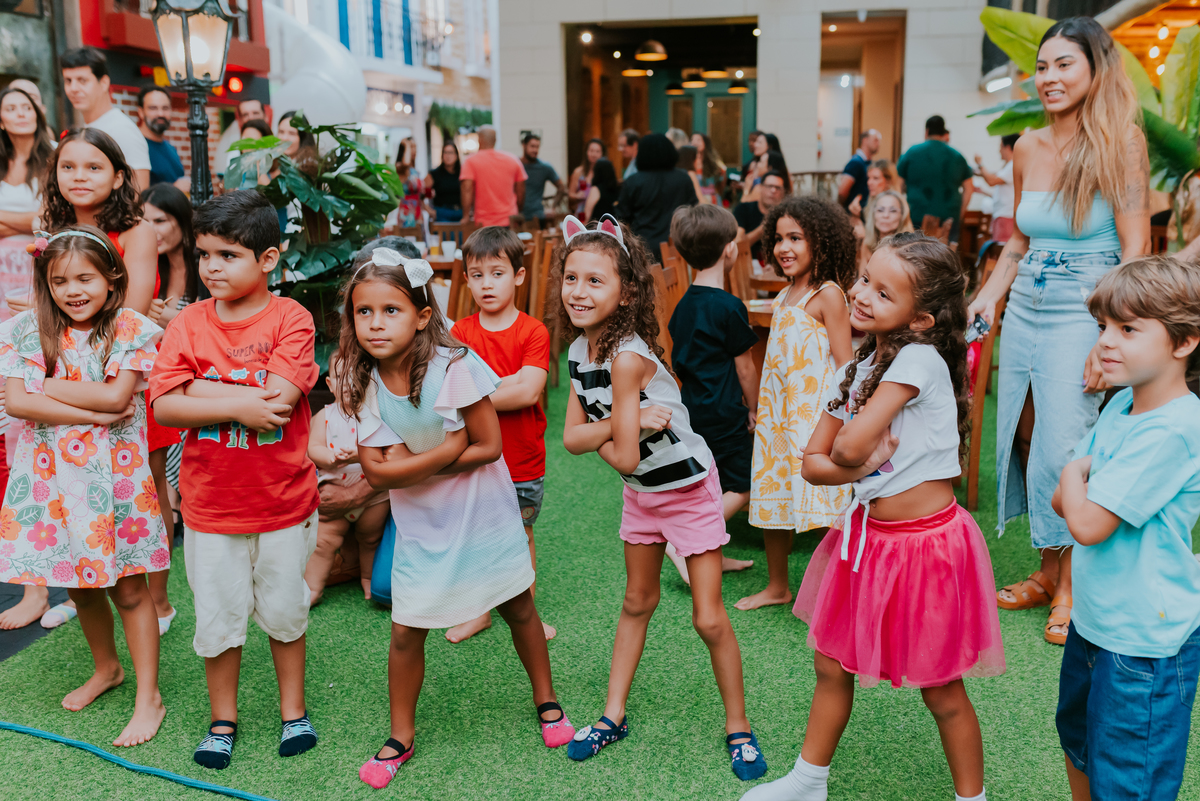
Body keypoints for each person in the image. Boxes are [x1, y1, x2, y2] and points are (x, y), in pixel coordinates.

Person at [743, 233, 1004, 801]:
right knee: (831, 664)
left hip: (925, 546)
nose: (861, 295)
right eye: (865, 280)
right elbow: (815, 465)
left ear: (922, 318)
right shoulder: (860, 366)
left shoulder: (917, 358)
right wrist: (857, 462)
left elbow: (847, 448)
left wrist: (855, 458)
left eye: (883, 293)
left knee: (941, 690)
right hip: (866, 538)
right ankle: (808, 782)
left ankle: (973, 798)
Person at [334, 246, 573, 789]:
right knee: (404, 632)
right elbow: (376, 473)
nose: (374, 323)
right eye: (363, 311)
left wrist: (411, 466)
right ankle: (400, 735)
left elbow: (488, 446)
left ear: (421, 317)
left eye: (390, 311)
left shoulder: (454, 365)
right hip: (422, 525)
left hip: (484, 514)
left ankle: (548, 702)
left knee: (518, 607)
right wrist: (443, 452)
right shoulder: (363, 380)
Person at [555, 214, 767, 780]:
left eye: (595, 281)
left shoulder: (628, 359)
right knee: (636, 601)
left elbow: (615, 453)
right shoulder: (578, 353)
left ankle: (738, 727)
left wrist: (614, 434)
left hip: (688, 489)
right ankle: (613, 715)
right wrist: (619, 428)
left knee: (708, 618)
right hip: (640, 493)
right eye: (571, 277)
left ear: (626, 291)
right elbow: (575, 439)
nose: (579, 291)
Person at [967, 17, 1150, 646]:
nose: (1048, 78)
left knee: (1065, 444)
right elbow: (1019, 239)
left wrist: (1112, 337)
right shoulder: (1027, 146)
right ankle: (1048, 571)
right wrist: (987, 297)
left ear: (1095, 69)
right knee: (1021, 432)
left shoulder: (1120, 142)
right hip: (1027, 304)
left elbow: (1135, 249)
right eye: (1042, 67)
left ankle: (1074, 585)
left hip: (1085, 304)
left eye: (1064, 65)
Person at [150, 190, 321, 770]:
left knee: (285, 609)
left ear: (268, 259)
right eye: (203, 255)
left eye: (228, 255)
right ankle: (223, 720)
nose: (212, 268)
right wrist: (234, 401)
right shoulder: (189, 323)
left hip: (283, 501)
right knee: (217, 617)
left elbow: (276, 403)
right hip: (209, 506)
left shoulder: (291, 318)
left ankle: (292, 712)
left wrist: (198, 389)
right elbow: (164, 408)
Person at [0, 227, 169, 746]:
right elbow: (18, 404)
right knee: (77, 581)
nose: (72, 290)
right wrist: (87, 403)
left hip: (111, 482)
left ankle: (149, 697)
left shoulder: (130, 329)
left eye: (84, 278)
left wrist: (46, 385)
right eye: (59, 281)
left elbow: (119, 400)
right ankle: (106, 668)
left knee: (128, 589)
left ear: (111, 277)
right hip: (51, 479)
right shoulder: (25, 330)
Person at [1054, 256, 1200, 801]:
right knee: (1080, 742)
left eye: (1129, 329)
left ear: (1183, 342)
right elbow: (1061, 504)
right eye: (1103, 328)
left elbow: (1086, 521)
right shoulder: (1120, 409)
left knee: (1129, 777)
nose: (1106, 342)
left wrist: (1074, 473)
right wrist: (1074, 487)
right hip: (1097, 623)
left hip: (1144, 642)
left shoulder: (1176, 429)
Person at [738, 196, 857, 611]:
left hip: (813, 419)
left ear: (820, 243)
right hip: (777, 418)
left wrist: (845, 420)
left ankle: (837, 591)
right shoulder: (785, 295)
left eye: (796, 238)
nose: (784, 248)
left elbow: (845, 365)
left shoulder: (828, 295)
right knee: (773, 496)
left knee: (831, 505)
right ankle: (777, 586)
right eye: (778, 238)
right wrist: (759, 408)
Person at [448, 226, 554, 642]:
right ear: (466, 278)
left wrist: (480, 390)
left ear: (519, 276)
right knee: (476, 535)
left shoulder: (533, 332)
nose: (486, 283)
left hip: (523, 459)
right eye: (476, 275)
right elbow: (453, 395)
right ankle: (480, 612)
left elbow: (528, 391)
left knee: (520, 535)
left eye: (497, 273)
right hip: (474, 455)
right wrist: (502, 385)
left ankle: (526, 617)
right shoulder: (459, 333)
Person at [665, 204, 759, 584]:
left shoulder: (683, 307)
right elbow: (746, 368)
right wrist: (754, 409)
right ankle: (685, 544)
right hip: (725, 410)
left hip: (694, 409)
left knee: (712, 483)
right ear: (729, 250)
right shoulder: (729, 307)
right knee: (744, 483)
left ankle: (710, 556)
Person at [140, 182, 202, 634]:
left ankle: (163, 596)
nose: (153, 229)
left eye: (160, 219)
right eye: (145, 221)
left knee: (164, 482)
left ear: (181, 222)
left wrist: (172, 320)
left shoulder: (209, 268)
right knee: (155, 481)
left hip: (199, 386)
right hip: (156, 381)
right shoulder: (146, 271)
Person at [302, 358, 389, 607]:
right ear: (330, 384)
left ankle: (367, 578)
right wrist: (328, 457)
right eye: (341, 378)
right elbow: (313, 447)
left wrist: (360, 455)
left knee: (370, 538)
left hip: (373, 497)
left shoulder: (376, 416)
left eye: (357, 376)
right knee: (323, 542)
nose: (349, 384)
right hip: (335, 489)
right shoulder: (325, 416)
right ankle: (312, 588)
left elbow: (387, 450)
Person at [60, 47, 150, 190]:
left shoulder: (122, 129)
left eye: (82, 80)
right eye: (68, 81)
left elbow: (139, 191)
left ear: (104, 83)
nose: (73, 88)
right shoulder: (87, 126)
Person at [614, 133, 698, 260]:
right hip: (677, 246)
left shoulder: (633, 181)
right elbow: (692, 211)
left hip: (643, 247)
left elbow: (621, 217)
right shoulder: (683, 179)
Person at [897, 116, 974, 247]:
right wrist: (959, 215)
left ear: (926, 132)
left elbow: (897, 185)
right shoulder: (957, 156)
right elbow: (969, 188)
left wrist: (901, 211)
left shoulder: (911, 153)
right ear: (944, 132)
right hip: (949, 217)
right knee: (944, 258)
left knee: (915, 257)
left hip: (916, 216)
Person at [0, 85, 54, 237]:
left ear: (36, 115)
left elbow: (50, 220)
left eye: (27, 108)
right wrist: (31, 220)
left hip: (43, 256)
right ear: (1, 122)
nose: (21, 114)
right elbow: (38, 222)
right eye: (11, 109)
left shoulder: (57, 156)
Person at [460, 125, 526, 228]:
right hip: (509, 220)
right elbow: (521, 190)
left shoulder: (470, 161)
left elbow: (467, 189)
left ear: (479, 139)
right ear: (495, 140)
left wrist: (466, 216)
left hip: (483, 223)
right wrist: (517, 210)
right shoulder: (513, 160)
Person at [136, 87, 187, 192]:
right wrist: (174, 189)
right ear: (141, 112)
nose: (160, 114)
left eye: (165, 108)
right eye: (153, 108)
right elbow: (137, 195)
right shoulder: (136, 146)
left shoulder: (171, 149)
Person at [733, 170, 787, 263]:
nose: (773, 190)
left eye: (777, 188)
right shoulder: (743, 209)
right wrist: (763, 229)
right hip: (747, 264)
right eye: (769, 186)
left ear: (783, 192)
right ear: (761, 188)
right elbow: (737, 244)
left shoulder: (787, 215)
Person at [975, 133, 1020, 242]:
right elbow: (991, 178)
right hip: (1002, 215)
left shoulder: (1013, 165)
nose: (999, 151)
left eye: (1001, 147)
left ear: (1007, 147)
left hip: (1006, 216)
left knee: (1001, 251)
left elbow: (991, 180)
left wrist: (980, 164)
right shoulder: (1008, 167)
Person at [860, 189, 915, 268]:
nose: (886, 215)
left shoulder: (909, 249)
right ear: (873, 215)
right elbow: (861, 278)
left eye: (893, 211)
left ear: (902, 216)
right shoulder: (867, 244)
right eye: (880, 210)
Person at [519, 133, 565, 223]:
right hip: (518, 217)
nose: (535, 150)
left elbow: (561, 187)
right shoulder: (515, 165)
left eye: (537, 147)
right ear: (524, 146)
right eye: (532, 146)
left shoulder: (544, 167)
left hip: (538, 216)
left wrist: (553, 207)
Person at [214, 98, 267, 177]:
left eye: (255, 113)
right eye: (245, 114)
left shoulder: (276, 145)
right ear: (240, 120)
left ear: (265, 116)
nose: (251, 118)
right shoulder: (233, 148)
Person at [837, 129, 882, 212]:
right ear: (865, 140)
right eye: (875, 140)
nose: (878, 144)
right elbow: (842, 192)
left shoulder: (869, 163)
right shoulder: (856, 162)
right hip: (853, 211)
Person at [425, 141, 463, 223]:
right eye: (445, 153)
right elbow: (420, 193)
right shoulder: (434, 174)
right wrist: (429, 210)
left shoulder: (462, 173)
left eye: (450, 153)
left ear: (456, 155)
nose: (448, 156)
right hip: (441, 213)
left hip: (459, 212)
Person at [568, 138, 605, 216]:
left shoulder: (605, 173)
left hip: (600, 213)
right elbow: (570, 194)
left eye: (597, 151)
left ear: (602, 154)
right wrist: (577, 196)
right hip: (582, 213)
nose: (594, 154)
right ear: (586, 152)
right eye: (591, 151)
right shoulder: (578, 172)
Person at [692, 132, 727, 204]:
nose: (695, 142)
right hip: (694, 200)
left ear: (705, 143)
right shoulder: (688, 162)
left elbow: (721, 183)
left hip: (711, 200)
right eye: (692, 140)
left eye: (698, 140)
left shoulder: (714, 162)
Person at [583, 157, 619, 223]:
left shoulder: (596, 189)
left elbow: (587, 215)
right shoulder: (617, 189)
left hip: (598, 228)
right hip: (612, 229)